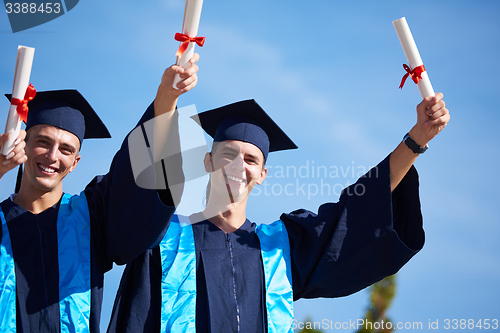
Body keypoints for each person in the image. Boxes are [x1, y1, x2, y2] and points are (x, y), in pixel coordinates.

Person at [107, 73, 450, 332]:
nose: (238, 167)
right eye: (227, 155)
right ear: (207, 161)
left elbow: (356, 215)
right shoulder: (160, 241)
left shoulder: (280, 250)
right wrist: (167, 101)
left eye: (251, 160)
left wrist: (416, 140)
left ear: (263, 174)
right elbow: (137, 189)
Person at [0, 55, 200, 332]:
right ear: (24, 145)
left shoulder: (91, 217)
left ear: (75, 163)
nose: (52, 156)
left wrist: (166, 98)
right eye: (43, 142)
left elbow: (132, 175)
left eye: (66, 149)